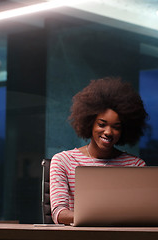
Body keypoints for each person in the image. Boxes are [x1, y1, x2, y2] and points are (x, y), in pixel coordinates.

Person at [49, 77, 148, 225]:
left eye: (116, 127)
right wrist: (103, 218)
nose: (108, 132)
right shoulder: (64, 161)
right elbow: (59, 213)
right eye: (102, 124)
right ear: (89, 123)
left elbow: (143, 213)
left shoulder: (135, 165)